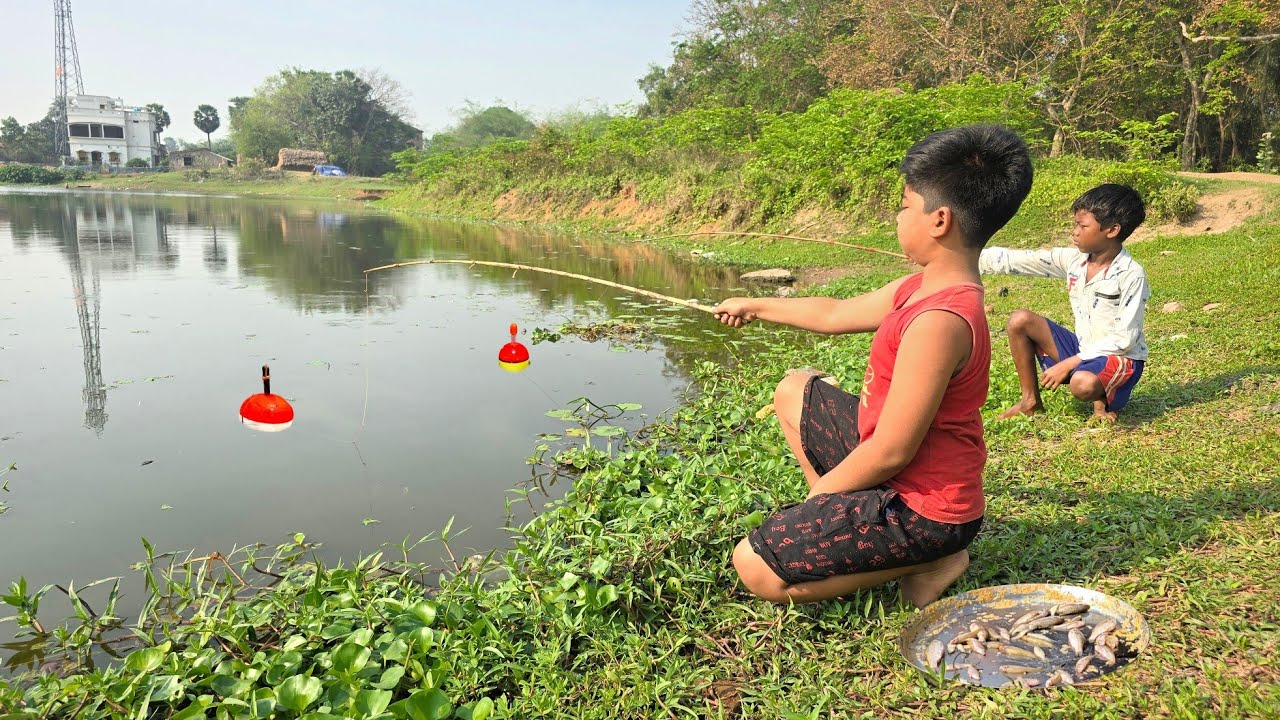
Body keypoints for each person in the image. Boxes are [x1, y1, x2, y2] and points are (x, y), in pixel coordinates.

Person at [712, 124, 1033, 607]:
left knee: (755, 567)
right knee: (794, 388)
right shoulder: (916, 288)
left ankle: (936, 559)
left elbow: (889, 453)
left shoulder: (939, 322)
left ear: (939, 220)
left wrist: (814, 503)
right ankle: (844, 518)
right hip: (895, 469)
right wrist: (753, 304)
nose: (898, 217)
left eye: (905, 206)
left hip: (928, 510)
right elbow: (834, 313)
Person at [980, 184, 1149, 422]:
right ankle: (1030, 401)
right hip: (1084, 349)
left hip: (1121, 357)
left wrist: (1068, 363)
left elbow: (1125, 339)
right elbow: (1018, 260)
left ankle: (1105, 400)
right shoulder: (1073, 261)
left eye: (1083, 226)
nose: (1075, 232)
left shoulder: (1131, 274)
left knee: (1082, 384)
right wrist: (960, 255)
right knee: (1020, 320)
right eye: (1075, 225)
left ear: (1111, 230)